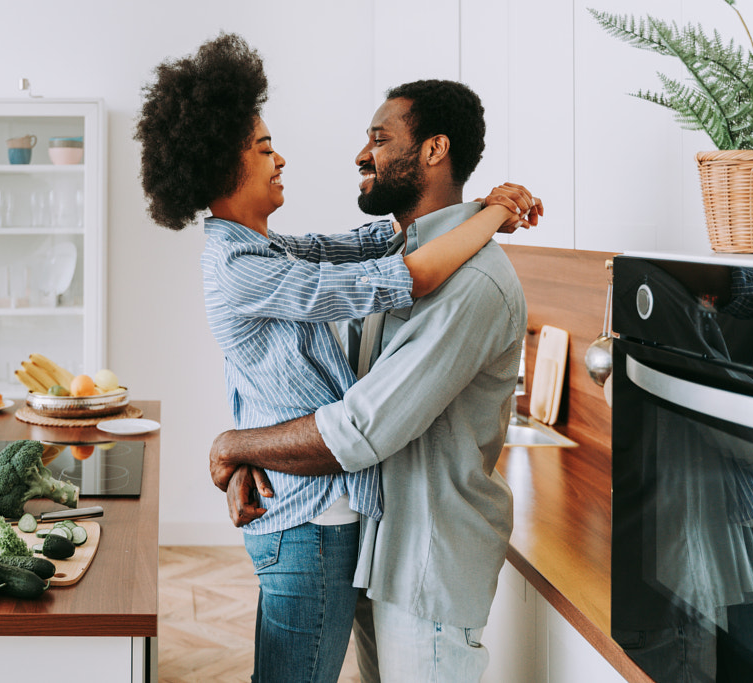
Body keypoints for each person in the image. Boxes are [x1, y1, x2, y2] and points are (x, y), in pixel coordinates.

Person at [135, 34, 540, 683]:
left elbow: (356, 246)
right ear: (221, 164)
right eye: (264, 148)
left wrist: (473, 213)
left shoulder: (266, 249)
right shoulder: (240, 265)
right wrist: (487, 215)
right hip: (311, 519)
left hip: (334, 524)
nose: (281, 157)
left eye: (380, 137)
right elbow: (398, 277)